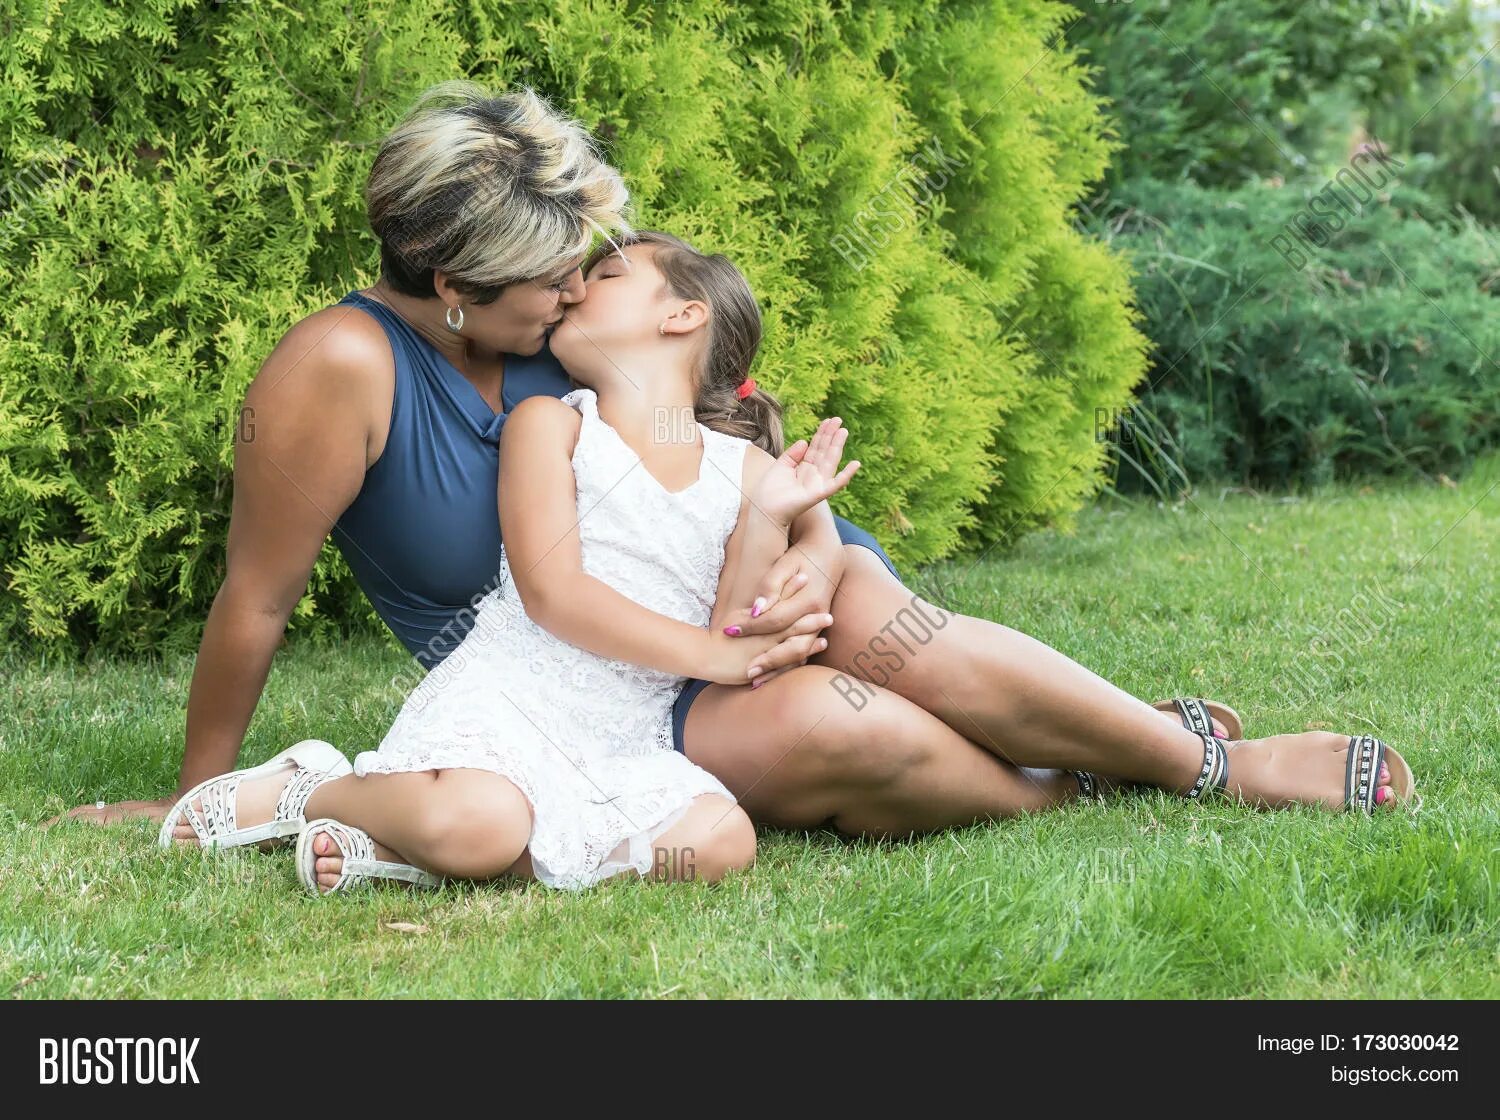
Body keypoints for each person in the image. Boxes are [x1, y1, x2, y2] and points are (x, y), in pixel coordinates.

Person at [55, 83, 1410, 846]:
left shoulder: (571, 333)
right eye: (555, 271)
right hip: (578, 682)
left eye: (595, 257)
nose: (585, 281)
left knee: (869, 601)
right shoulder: (343, 371)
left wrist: (812, 562)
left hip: (745, 596)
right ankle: (1080, 776)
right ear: (460, 283)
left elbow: (750, 442)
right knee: (822, 722)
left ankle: (1211, 768)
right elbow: (256, 599)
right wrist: (193, 784)